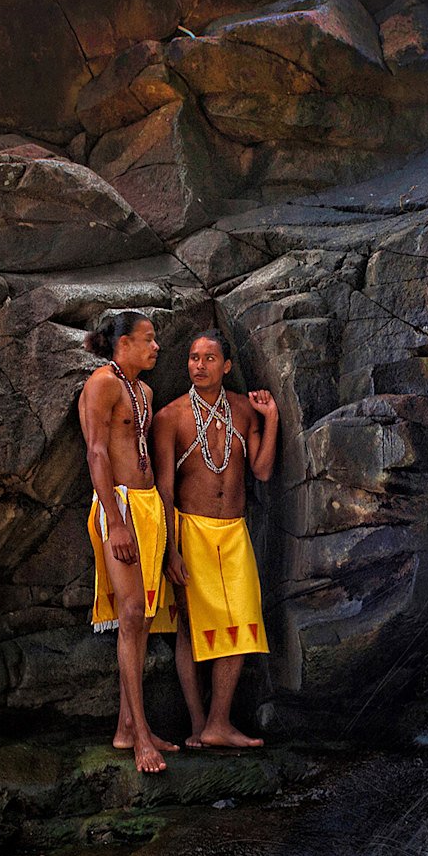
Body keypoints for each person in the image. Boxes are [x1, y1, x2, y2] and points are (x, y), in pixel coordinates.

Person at [155, 328, 278, 749]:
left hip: (234, 531)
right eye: (193, 358)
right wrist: (170, 551)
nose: (199, 365)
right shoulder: (170, 417)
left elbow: (260, 470)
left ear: (226, 366)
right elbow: (165, 491)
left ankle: (219, 722)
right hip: (191, 530)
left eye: (209, 359)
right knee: (191, 628)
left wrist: (272, 419)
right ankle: (197, 724)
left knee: (242, 622)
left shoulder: (244, 411)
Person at [78, 310, 176, 773]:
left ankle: (127, 726)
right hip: (118, 507)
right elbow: (97, 451)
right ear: (123, 344)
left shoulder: (145, 390)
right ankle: (141, 737)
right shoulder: (102, 383)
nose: (156, 347)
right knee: (132, 613)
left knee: (141, 618)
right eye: (148, 339)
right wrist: (115, 522)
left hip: (148, 506)